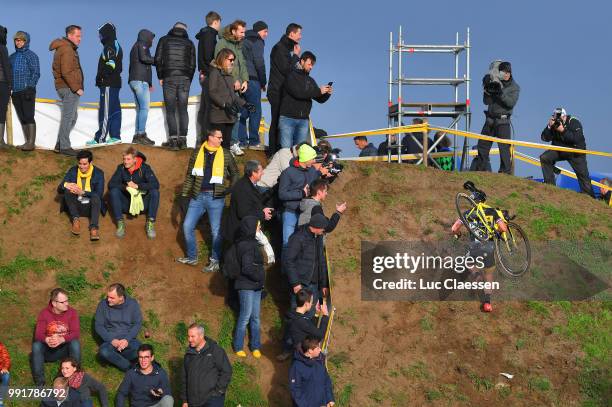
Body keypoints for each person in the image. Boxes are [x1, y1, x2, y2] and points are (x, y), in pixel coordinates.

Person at [178, 128, 239, 271]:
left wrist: (229, 189)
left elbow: (235, 173)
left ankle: (215, 261)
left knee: (216, 231)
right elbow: (190, 176)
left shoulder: (225, 153)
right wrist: (184, 195)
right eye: (219, 137)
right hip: (197, 196)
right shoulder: (197, 152)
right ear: (210, 137)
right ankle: (192, 257)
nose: (221, 140)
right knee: (187, 226)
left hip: (216, 198)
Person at [472, 61, 520, 174]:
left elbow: (510, 103)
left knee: (504, 149)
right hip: (490, 120)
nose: (506, 74)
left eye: (508, 72)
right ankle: (481, 170)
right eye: (504, 72)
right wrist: (487, 88)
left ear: (511, 73)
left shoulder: (515, 87)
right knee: (482, 145)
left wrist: (500, 93)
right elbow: (486, 101)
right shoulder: (495, 82)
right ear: (500, 72)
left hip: (503, 121)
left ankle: (505, 172)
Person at [155, 22, 196, 150]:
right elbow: (193, 64)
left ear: (173, 28)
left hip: (169, 77)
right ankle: (183, 140)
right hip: (185, 78)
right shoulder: (190, 43)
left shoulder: (164, 40)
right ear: (185, 30)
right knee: (183, 109)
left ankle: (173, 140)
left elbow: (157, 59)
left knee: (171, 109)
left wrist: (160, 76)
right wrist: (189, 77)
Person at [279, 52, 332, 148]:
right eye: (309, 64)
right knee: (286, 151)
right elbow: (298, 93)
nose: (311, 67)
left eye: (312, 65)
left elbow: (319, 99)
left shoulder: (310, 80)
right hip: (288, 118)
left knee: (301, 153)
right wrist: (318, 91)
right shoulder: (290, 75)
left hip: (303, 121)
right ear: (302, 61)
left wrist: (327, 94)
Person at [540, 107, 595, 197]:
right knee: (544, 158)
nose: (558, 120)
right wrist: (549, 127)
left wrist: (563, 131)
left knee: (583, 175)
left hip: (575, 152)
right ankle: (550, 186)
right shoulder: (554, 124)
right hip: (560, 150)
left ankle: (589, 197)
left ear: (564, 116)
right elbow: (544, 138)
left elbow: (576, 139)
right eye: (555, 117)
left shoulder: (574, 122)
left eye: (559, 118)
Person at [214, 20, 250, 156]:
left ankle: (233, 143)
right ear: (233, 31)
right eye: (241, 32)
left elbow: (242, 64)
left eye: (244, 32)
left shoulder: (239, 45)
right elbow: (220, 64)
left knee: (235, 114)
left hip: (238, 87)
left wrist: (245, 80)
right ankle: (225, 145)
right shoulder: (222, 43)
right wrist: (233, 80)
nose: (244, 34)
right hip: (225, 85)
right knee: (225, 115)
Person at [108, 147, 160, 239]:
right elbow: (111, 184)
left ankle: (150, 223)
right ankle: (120, 223)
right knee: (114, 191)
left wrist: (138, 186)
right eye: (124, 159)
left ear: (135, 159)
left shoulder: (145, 168)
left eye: (128, 159)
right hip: (127, 205)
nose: (125, 162)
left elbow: (155, 184)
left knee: (155, 192)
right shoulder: (121, 168)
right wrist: (126, 187)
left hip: (142, 205)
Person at [206, 49, 253, 151]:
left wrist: (245, 104)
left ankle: (225, 164)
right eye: (230, 59)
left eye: (233, 60)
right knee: (216, 146)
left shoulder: (229, 76)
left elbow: (233, 95)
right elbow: (212, 92)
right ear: (223, 59)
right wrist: (224, 104)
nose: (232, 62)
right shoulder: (214, 73)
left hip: (229, 116)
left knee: (226, 145)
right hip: (218, 116)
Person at [32, 288, 81, 386]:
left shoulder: (72, 312)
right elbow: (38, 334)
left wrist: (62, 339)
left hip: (64, 351)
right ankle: (40, 383)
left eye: (67, 300)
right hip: (49, 350)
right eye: (63, 302)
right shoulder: (44, 313)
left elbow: (76, 333)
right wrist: (47, 339)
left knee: (75, 343)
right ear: (54, 303)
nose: (66, 303)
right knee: (36, 345)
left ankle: (75, 377)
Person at [232, 216, 266, 358]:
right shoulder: (246, 245)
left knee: (255, 317)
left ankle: (255, 346)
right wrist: (259, 277)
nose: (259, 228)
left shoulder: (253, 243)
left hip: (256, 285)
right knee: (245, 316)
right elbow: (247, 268)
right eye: (258, 226)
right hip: (247, 285)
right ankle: (238, 345)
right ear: (251, 228)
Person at [285, 214, 329, 317]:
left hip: (315, 286)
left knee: (310, 315)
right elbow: (289, 261)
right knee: (296, 316)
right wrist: (295, 283)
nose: (324, 231)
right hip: (301, 285)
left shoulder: (318, 237)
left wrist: (323, 284)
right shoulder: (298, 238)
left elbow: (321, 261)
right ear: (316, 227)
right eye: (323, 228)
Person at [268, 23, 302, 155]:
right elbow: (286, 70)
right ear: (291, 34)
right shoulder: (279, 48)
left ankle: (281, 152)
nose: (301, 36)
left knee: (284, 124)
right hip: (277, 91)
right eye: (299, 33)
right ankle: (272, 153)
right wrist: (296, 56)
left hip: (285, 92)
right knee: (277, 121)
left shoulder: (287, 48)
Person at [49, 25, 84, 156]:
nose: (80, 39)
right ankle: (64, 146)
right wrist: (76, 88)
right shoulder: (67, 49)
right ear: (70, 35)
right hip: (68, 87)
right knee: (69, 117)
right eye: (77, 36)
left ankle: (59, 144)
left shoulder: (66, 48)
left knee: (72, 117)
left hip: (66, 87)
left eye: (80, 36)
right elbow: (66, 71)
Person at [278, 144, 321, 250]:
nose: (314, 160)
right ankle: (286, 267)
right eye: (312, 158)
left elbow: (315, 185)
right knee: (288, 244)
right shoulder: (287, 172)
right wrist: (301, 193)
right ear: (305, 158)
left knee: (303, 246)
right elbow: (282, 194)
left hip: (306, 214)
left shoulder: (311, 171)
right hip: (290, 213)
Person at [57, 150, 105, 240]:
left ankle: (94, 228)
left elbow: (99, 194)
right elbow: (59, 189)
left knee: (96, 197)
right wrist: (65, 185)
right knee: (68, 190)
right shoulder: (73, 170)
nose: (82, 166)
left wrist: (83, 192)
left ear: (90, 162)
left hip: (91, 207)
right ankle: (75, 220)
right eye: (80, 163)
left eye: (85, 164)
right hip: (75, 206)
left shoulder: (99, 173)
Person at [94, 283, 143, 371]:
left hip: (128, 339)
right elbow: (98, 325)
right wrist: (111, 340)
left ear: (121, 297)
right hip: (110, 340)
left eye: (112, 298)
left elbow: (137, 323)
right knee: (104, 351)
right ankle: (129, 368)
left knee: (141, 351)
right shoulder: (103, 305)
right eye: (108, 296)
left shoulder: (133, 304)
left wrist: (127, 339)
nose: (108, 300)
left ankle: (115, 357)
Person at [222, 160, 273, 242]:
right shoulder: (243, 188)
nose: (263, 173)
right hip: (239, 235)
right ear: (253, 173)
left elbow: (255, 202)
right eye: (260, 171)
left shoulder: (249, 184)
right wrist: (262, 214)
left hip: (243, 233)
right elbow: (243, 212)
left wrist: (271, 192)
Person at [181, 324, 232, 407]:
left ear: (201, 336)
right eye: (188, 336)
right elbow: (184, 378)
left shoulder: (215, 350)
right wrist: (185, 400)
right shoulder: (188, 355)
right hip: (193, 402)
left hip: (213, 400)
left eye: (193, 336)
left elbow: (226, 371)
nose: (189, 339)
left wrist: (218, 392)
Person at [88, 22, 122, 146]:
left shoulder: (109, 46)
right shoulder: (116, 44)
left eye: (100, 35)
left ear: (106, 34)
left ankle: (100, 138)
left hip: (108, 83)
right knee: (115, 110)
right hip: (115, 83)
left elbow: (111, 64)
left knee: (105, 111)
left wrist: (101, 78)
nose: (99, 37)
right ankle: (115, 136)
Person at [238, 21, 268, 150]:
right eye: (265, 31)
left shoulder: (243, 40)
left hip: (240, 79)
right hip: (253, 79)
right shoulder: (257, 41)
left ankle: (242, 141)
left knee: (243, 110)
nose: (266, 34)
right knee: (255, 110)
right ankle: (254, 141)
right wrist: (263, 81)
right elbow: (259, 62)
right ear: (259, 31)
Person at [278, 288, 329, 362]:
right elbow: (320, 334)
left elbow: (309, 327)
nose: (312, 304)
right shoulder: (301, 321)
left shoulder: (293, 314)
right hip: (303, 356)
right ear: (306, 304)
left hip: (298, 350)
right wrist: (326, 315)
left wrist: (316, 314)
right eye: (311, 302)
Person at [9, 31, 40, 151]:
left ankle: (31, 142)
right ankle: (27, 142)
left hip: (27, 90)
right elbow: (8, 74)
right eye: (17, 40)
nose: (18, 42)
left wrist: (30, 87)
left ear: (26, 41)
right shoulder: (12, 57)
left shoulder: (31, 55)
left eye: (21, 40)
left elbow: (36, 72)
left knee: (28, 115)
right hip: (15, 91)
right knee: (22, 116)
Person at [196, 11, 221, 141]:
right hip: (208, 73)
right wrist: (213, 70)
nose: (220, 26)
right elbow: (208, 56)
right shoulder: (210, 35)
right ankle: (206, 137)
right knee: (208, 107)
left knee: (205, 106)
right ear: (215, 22)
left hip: (205, 72)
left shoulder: (205, 34)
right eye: (219, 23)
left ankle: (204, 137)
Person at [289, 336, 335, 407]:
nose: (320, 350)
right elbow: (296, 390)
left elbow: (326, 381)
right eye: (318, 348)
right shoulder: (297, 366)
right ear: (310, 351)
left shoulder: (320, 361)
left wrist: (329, 398)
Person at [128, 29, 156, 146]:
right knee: (144, 108)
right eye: (152, 38)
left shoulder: (136, 46)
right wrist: (158, 60)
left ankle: (137, 135)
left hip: (136, 80)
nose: (153, 41)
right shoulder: (142, 44)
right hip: (140, 81)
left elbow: (140, 64)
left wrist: (149, 83)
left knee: (140, 109)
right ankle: (141, 134)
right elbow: (144, 59)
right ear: (147, 37)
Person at [0, 25, 12, 150]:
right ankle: (0, 140)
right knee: (1, 110)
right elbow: (6, 67)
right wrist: (10, 84)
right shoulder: (3, 48)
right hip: (2, 82)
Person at [0, 341, 10, 407]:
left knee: (6, 376)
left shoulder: (1, 346)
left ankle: (1, 397)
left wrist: (5, 367)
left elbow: (6, 358)